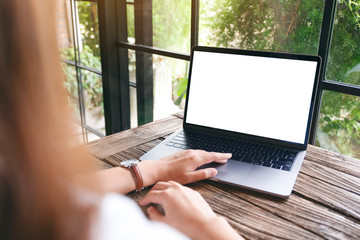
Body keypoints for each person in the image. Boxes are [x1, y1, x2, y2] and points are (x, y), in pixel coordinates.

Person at [0, 0, 244, 239]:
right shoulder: (104, 224)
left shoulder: (18, 195)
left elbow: (53, 193)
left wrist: (154, 168)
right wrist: (208, 227)